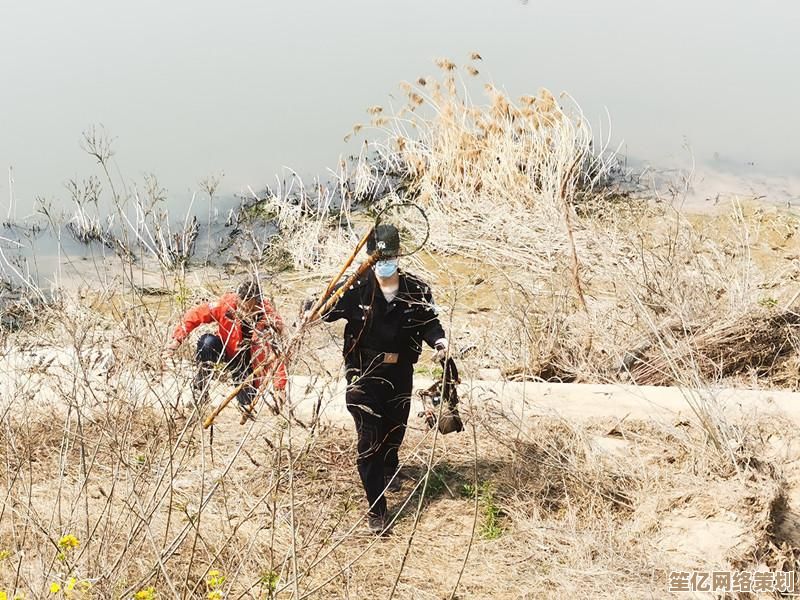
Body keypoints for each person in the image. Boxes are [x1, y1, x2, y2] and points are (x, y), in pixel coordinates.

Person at [317, 224, 448, 534]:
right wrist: (319, 303)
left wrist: (441, 343)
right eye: (379, 257)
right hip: (363, 372)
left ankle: (390, 467)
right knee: (369, 441)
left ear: (398, 255)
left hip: (400, 371)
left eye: (390, 257)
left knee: (394, 430)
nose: (385, 262)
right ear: (370, 258)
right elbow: (324, 313)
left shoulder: (416, 289)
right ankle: (377, 508)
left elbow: (431, 324)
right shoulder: (356, 287)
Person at [163, 278, 288, 412]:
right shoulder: (226, 304)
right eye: (239, 306)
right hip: (226, 350)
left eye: (246, 308)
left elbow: (276, 355)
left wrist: (279, 388)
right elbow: (195, 314)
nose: (241, 312)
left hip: (247, 362)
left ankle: (245, 393)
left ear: (257, 303)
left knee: (246, 403)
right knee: (206, 343)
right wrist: (177, 340)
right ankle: (200, 391)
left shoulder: (269, 318)